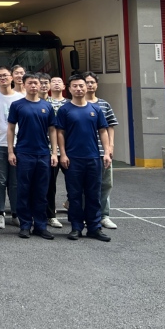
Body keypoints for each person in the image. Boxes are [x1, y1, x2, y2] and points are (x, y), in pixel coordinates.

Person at [57, 74, 112, 242]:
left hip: (93, 158)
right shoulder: (64, 110)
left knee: (93, 194)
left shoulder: (95, 109)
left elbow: (103, 131)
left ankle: (94, 228)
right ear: (69, 89)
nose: (79, 89)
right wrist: (63, 154)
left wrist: (107, 152)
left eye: (81, 85)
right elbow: (60, 132)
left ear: (86, 87)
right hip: (73, 159)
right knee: (74, 195)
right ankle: (76, 227)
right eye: (75, 86)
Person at [7, 74, 58, 240]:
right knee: (24, 190)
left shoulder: (47, 106)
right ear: (24, 85)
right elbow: (10, 128)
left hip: (43, 154)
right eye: (30, 83)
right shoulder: (17, 105)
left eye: (36, 83)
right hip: (24, 153)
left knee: (41, 191)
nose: (34, 86)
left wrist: (54, 152)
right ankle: (25, 225)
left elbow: (52, 130)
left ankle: (41, 226)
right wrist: (11, 151)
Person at [0, 66, 23, 229]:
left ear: (11, 78)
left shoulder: (20, 97)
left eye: (5, 75)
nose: (3, 78)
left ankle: (15, 213)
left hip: (18, 144)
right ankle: (0, 213)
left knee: (15, 182)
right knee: (0, 181)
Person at [84, 71, 119, 230]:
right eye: (87, 82)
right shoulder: (75, 104)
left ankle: (104, 215)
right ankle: (87, 215)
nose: (89, 85)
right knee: (85, 186)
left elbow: (110, 126)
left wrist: (110, 147)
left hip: (102, 151)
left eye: (92, 82)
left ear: (97, 85)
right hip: (84, 152)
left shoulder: (104, 104)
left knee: (105, 184)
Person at [46, 76, 68, 228]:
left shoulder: (70, 104)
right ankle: (51, 215)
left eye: (59, 81)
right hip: (49, 150)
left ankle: (74, 210)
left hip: (69, 150)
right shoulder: (44, 103)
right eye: (53, 82)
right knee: (50, 185)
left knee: (75, 184)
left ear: (65, 86)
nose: (56, 83)